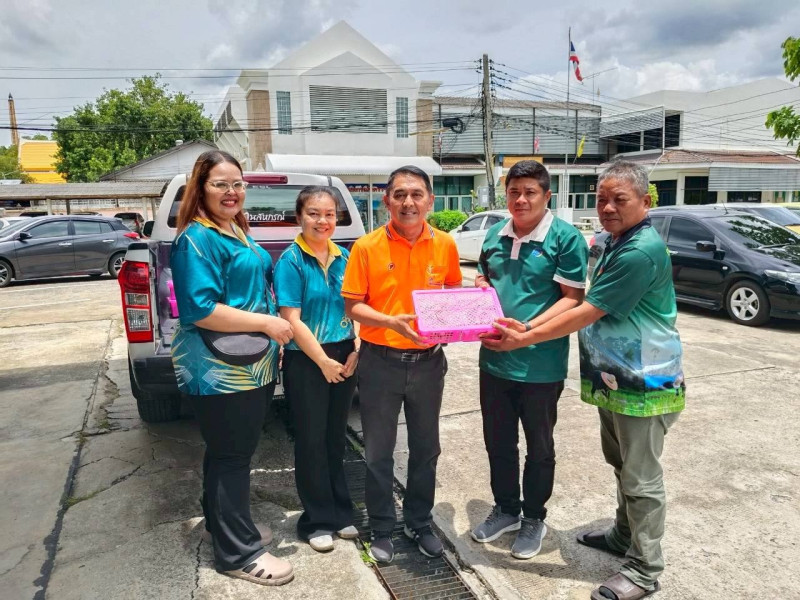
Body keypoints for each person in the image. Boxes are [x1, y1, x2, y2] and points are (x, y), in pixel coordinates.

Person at [482, 160, 685, 600]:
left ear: (646, 202)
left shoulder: (639, 251)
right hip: (616, 377)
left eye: (619, 200)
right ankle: (622, 535)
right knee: (622, 465)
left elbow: (587, 308)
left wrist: (526, 336)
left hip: (645, 380)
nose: (608, 208)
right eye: (602, 199)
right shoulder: (613, 241)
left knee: (642, 478)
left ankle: (644, 570)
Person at [170, 150, 294, 587]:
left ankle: (222, 526)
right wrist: (267, 324)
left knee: (226, 451)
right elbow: (199, 309)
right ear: (200, 189)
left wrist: (269, 335)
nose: (231, 192)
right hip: (218, 366)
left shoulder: (234, 230)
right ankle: (238, 554)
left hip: (249, 362)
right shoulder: (195, 238)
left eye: (238, 184)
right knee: (232, 456)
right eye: (220, 184)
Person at [341, 165, 462, 563]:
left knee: (426, 448)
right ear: (386, 201)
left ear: (430, 201)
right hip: (381, 363)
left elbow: (451, 294)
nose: (408, 202)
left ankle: (419, 522)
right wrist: (390, 322)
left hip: (429, 364)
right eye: (399, 195)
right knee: (379, 451)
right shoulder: (366, 247)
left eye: (416, 194)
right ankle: (381, 526)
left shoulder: (445, 244)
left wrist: (460, 316)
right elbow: (352, 305)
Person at [472, 160, 588, 559]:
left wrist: (526, 329)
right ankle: (506, 509)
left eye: (529, 192)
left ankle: (534, 516)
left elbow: (573, 299)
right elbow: (485, 276)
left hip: (541, 364)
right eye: (513, 192)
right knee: (498, 441)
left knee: (539, 446)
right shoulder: (494, 235)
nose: (520, 200)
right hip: (494, 360)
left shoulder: (566, 238)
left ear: (546, 195)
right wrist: (480, 285)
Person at [274, 186, 360, 553]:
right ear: (299, 217)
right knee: (310, 440)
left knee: (335, 438)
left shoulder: (346, 257)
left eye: (329, 214)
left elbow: (356, 307)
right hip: (306, 359)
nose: (322, 221)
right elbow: (290, 318)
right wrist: (322, 360)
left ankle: (341, 512)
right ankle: (317, 520)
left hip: (344, 353)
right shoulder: (291, 261)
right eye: (313, 213)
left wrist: (357, 348)